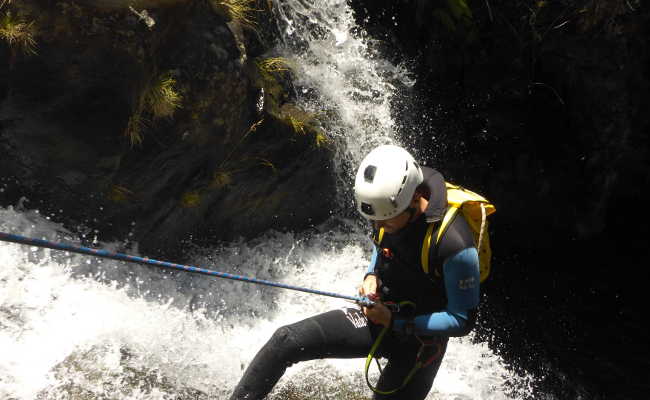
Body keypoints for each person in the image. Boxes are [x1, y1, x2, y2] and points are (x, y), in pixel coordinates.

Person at [230, 144, 481, 399]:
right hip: (380, 315)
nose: (378, 225)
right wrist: (371, 276)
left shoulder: (455, 244)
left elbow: (462, 320)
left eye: (386, 220)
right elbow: (382, 244)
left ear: (415, 199)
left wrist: (397, 322)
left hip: (419, 343)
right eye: (374, 220)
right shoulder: (390, 208)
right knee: (286, 341)